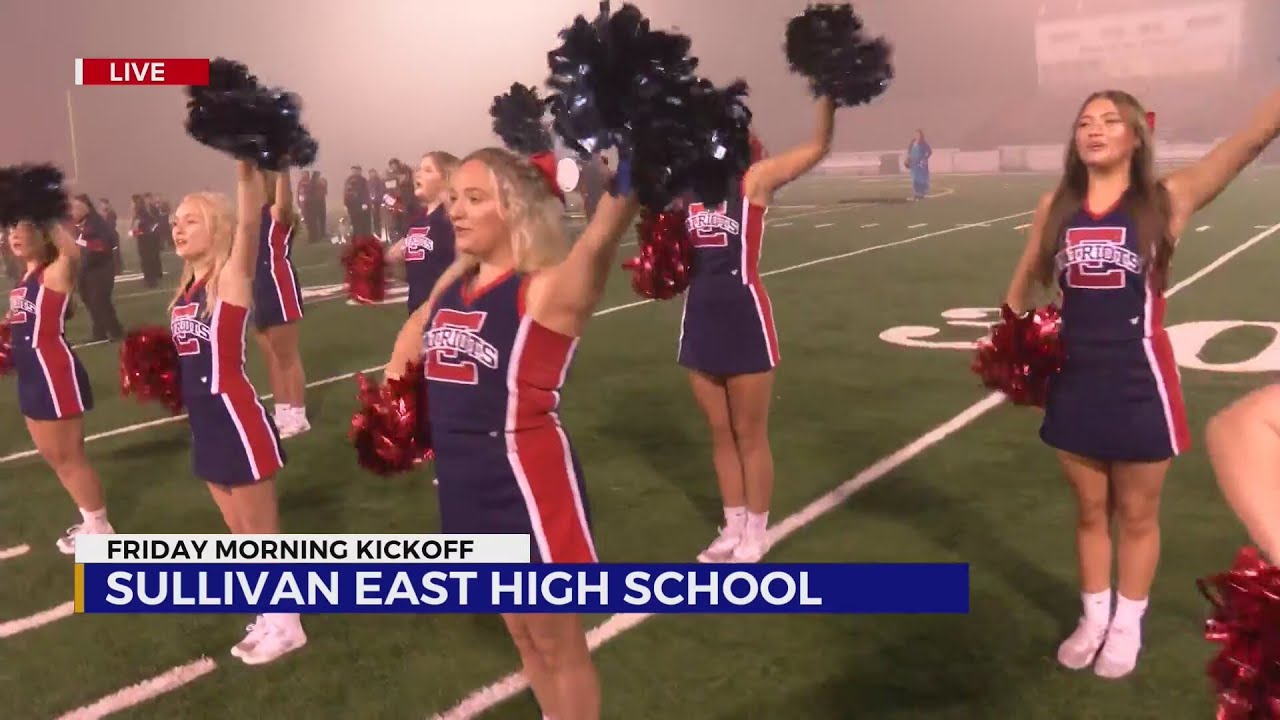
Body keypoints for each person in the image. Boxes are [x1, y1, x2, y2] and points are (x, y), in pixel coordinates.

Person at [1002, 88, 1280, 679]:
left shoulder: (1166, 199)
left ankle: (1127, 624)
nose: (1094, 130)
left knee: (1135, 515)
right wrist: (1020, 350)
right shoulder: (1056, 204)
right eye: (1084, 122)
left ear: (1135, 136)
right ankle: (1094, 617)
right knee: (1087, 511)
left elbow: (1249, 140)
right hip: (1075, 382)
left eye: (1109, 121)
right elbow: (1020, 287)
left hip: (1140, 381)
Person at [385, 148, 638, 720]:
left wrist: (636, 159)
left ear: (516, 209)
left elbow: (600, 238)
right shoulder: (452, 288)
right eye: (454, 200)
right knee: (522, 639)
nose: (457, 212)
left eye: (475, 199)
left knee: (557, 643)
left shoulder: (544, 288)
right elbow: (405, 358)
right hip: (463, 487)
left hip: (528, 488)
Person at [684, 96, 835, 564]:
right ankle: (731, 528)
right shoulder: (686, 190)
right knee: (719, 431)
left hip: (744, 318)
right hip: (699, 321)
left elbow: (816, 148)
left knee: (749, 432)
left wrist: (828, 95)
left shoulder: (752, 182)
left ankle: (756, 531)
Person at [169, 159, 303, 664]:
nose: (178, 228)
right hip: (204, 423)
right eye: (176, 222)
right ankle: (268, 613)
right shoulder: (186, 290)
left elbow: (251, 222)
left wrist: (245, 164)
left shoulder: (230, 276)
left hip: (236, 417)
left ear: (218, 228)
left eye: (191, 220)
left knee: (261, 533)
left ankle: (288, 625)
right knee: (238, 536)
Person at [6, 214, 113, 551]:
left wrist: (45, 209)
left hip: (52, 371)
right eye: (10, 230)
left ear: (43, 234)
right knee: (53, 455)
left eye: (23, 228)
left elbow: (72, 253)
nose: (14, 236)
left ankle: (100, 528)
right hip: (30, 371)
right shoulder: (25, 277)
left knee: (69, 456)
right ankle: (89, 520)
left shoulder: (54, 271)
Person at [252, 168, 309, 438]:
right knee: (270, 356)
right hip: (257, 288)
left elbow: (284, 199)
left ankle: (298, 415)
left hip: (278, 285)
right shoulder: (253, 215)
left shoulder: (277, 213)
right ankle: (283, 410)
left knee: (286, 356)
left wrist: (283, 164)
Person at [386, 151, 459, 313]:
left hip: (446, 313)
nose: (418, 174)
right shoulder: (417, 221)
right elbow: (412, 271)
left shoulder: (453, 219)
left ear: (446, 178)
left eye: (428, 170)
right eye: (419, 169)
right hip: (416, 311)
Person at [70, 194, 123, 342]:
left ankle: (115, 331)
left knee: (100, 300)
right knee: (89, 301)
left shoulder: (96, 223)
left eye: (75, 208)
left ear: (84, 208)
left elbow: (106, 243)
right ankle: (99, 332)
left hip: (100, 268)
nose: (72, 211)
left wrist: (87, 245)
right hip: (85, 269)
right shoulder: (77, 225)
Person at [906, 129, 931, 200]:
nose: (917, 136)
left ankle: (922, 192)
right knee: (914, 178)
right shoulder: (912, 143)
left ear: (921, 135)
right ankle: (916, 193)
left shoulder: (923, 143)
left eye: (918, 134)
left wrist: (925, 158)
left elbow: (929, 151)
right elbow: (909, 152)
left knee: (921, 178)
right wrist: (908, 159)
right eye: (915, 134)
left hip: (921, 163)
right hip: (913, 163)